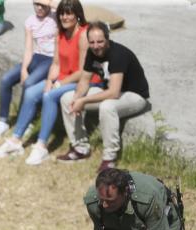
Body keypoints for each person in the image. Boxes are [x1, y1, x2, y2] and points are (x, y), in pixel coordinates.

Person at [0, 0, 98, 166]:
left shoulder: (83, 34)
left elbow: (84, 71)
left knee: (49, 96)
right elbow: (55, 64)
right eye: (62, 13)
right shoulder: (60, 33)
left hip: (85, 80)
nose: (64, 17)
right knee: (31, 92)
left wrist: (58, 84)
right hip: (63, 77)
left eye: (69, 13)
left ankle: (41, 146)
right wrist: (49, 81)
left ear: (78, 15)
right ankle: (15, 141)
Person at [59, 21, 150, 172]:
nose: (96, 46)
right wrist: (77, 98)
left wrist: (84, 100)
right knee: (67, 98)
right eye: (92, 42)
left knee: (107, 107)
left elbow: (113, 92)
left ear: (107, 39)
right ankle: (80, 148)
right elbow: (84, 81)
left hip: (135, 96)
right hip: (114, 92)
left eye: (100, 41)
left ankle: (109, 159)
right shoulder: (91, 52)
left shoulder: (118, 54)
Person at [0, 0, 57, 140]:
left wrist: (49, 3)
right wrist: (24, 69)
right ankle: (3, 121)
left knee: (29, 83)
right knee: (7, 79)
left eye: (42, 5)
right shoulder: (30, 21)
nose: (38, 8)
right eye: (35, 4)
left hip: (50, 59)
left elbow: (70, 7)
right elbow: (28, 49)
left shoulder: (56, 17)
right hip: (36, 57)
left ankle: (25, 121)